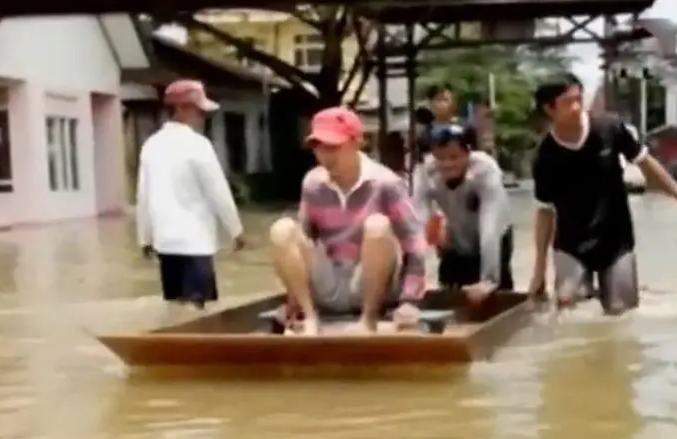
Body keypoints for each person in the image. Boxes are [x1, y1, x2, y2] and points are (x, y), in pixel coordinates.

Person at [528, 73, 677, 316]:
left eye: (579, 99)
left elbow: (649, 166)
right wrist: (539, 270)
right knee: (567, 309)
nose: (577, 107)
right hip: (571, 245)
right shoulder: (544, 156)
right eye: (568, 102)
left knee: (622, 314)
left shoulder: (610, 128)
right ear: (549, 109)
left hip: (615, 241)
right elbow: (545, 211)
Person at [268, 106, 428, 335]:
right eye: (319, 147)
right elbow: (303, 240)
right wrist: (293, 299)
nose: (326, 156)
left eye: (334, 147)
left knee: (377, 226)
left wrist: (409, 300)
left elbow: (415, 242)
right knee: (282, 229)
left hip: (371, 283)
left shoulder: (386, 183)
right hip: (330, 282)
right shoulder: (312, 184)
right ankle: (310, 316)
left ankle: (368, 320)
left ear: (356, 142)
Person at [136, 79, 245, 312]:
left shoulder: (150, 146)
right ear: (180, 108)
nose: (202, 116)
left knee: (175, 310)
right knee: (199, 312)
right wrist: (235, 230)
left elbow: (143, 196)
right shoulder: (199, 145)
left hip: (165, 244)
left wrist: (144, 238)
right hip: (196, 244)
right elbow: (218, 192)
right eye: (199, 110)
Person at [412, 122, 513, 303]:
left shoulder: (485, 170)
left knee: (496, 296)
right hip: (456, 237)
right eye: (440, 157)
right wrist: (412, 288)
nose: (447, 164)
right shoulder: (425, 172)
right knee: (452, 296)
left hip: (495, 236)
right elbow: (416, 223)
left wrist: (489, 280)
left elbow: (490, 227)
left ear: (468, 152)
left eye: (454, 157)